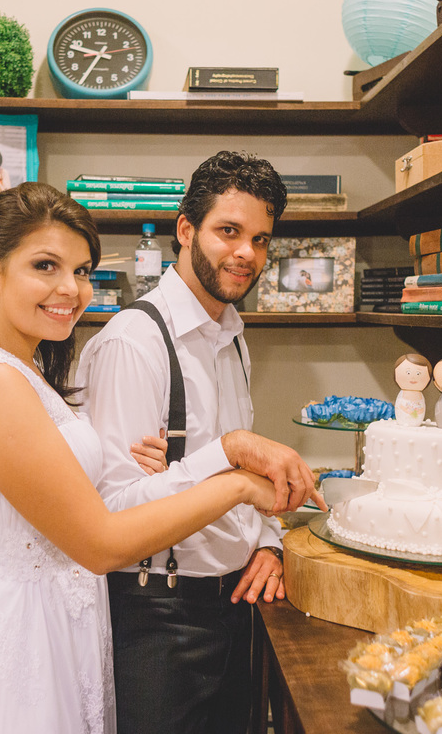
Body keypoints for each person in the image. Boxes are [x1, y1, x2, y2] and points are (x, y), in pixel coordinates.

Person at [0, 182, 314, 734]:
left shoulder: (23, 370)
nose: (70, 289)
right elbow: (100, 543)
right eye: (45, 266)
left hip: (58, 629)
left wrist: (173, 470)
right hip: (17, 640)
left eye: (83, 270)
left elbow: (78, 496)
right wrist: (235, 479)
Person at [76, 151, 326, 734]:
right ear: (186, 230)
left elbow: (247, 493)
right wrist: (228, 453)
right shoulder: (133, 343)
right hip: (159, 619)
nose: (247, 254)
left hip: (238, 608)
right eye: (229, 232)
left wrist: (268, 544)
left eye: (260, 240)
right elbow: (111, 518)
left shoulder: (233, 336)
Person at [393, 352, 431, 425]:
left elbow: (421, 407)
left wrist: (418, 411)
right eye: (408, 373)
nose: (413, 377)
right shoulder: (402, 393)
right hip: (403, 420)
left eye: (418, 373)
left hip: (417, 419)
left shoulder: (419, 394)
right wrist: (406, 410)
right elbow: (400, 405)